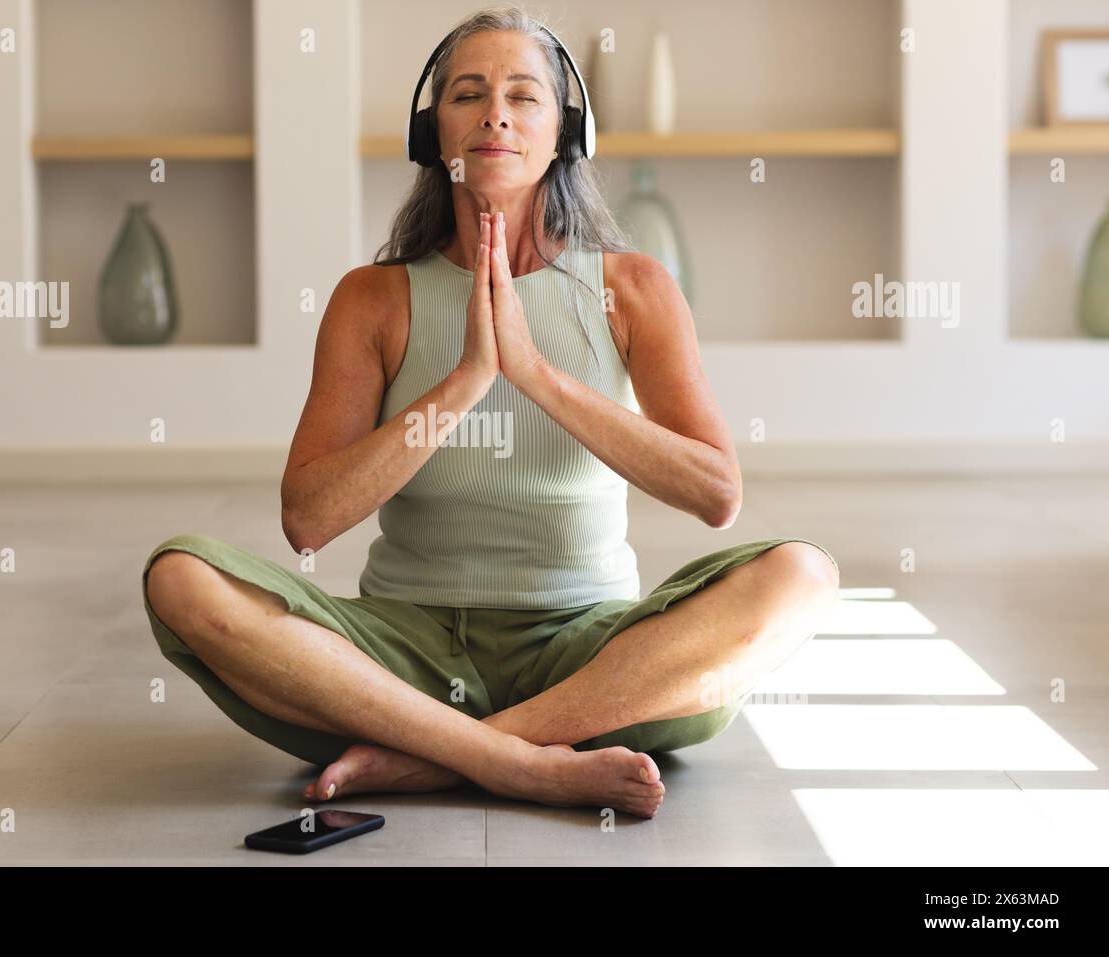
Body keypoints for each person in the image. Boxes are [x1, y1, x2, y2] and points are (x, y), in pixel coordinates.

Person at [142, 7, 839, 820]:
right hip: (402, 652)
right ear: (432, 132)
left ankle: (443, 753)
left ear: (563, 135)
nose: (495, 113)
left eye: (523, 95)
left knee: (803, 576)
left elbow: (717, 494)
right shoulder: (373, 299)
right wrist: (466, 380)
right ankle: (521, 762)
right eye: (468, 94)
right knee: (180, 578)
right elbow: (308, 519)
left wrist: (537, 374)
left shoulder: (635, 290)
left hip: (588, 651)